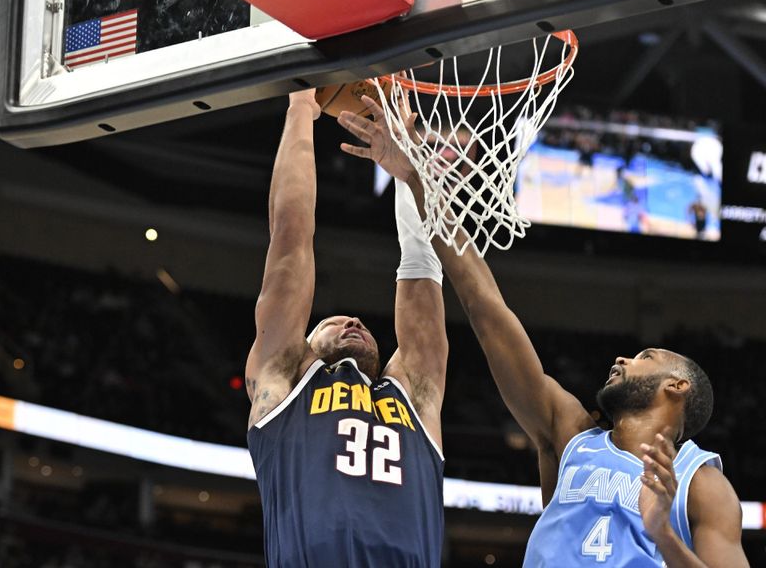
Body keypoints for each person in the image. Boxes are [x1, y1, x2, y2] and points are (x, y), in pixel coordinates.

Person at [338, 95, 748, 567]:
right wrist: (415, 177)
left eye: (645, 357)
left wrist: (664, 536)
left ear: (678, 387)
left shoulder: (702, 483)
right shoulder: (568, 432)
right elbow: (486, 306)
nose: (622, 359)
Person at [246, 89, 447, 567]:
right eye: (334, 322)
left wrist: (408, 170)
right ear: (304, 346)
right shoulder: (285, 381)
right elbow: (291, 239)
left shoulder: (413, 395)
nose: (355, 320)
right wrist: (300, 108)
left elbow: (422, 264)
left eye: (356, 323)